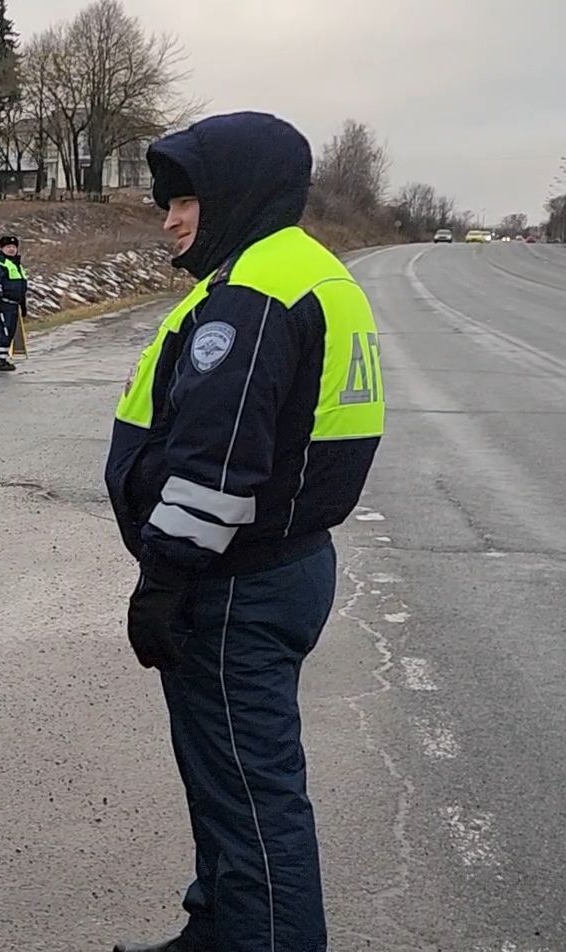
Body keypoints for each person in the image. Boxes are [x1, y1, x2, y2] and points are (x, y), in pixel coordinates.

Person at [105, 112, 385, 952]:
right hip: (276, 567)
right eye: (166, 202)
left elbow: (215, 460)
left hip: (234, 586)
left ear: (236, 193)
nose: (171, 219)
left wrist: (164, 580)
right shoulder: (307, 273)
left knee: (255, 805)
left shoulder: (255, 292)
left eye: (186, 199)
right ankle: (217, 929)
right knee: (228, 787)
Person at [0, 234, 29, 371]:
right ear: (2, 248)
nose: (11, 249)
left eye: (13, 247)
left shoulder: (16, 265)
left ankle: (3, 358)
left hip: (13, 304)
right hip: (2, 303)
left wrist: (23, 305)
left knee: (10, 331)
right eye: (8, 247)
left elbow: (21, 286)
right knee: (2, 331)